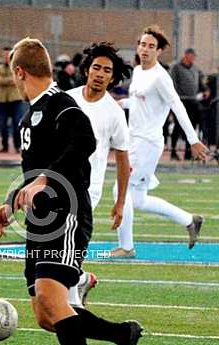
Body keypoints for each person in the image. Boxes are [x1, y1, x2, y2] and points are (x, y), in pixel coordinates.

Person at [0, 37, 142, 345]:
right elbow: (35, 170)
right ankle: (122, 334)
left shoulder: (62, 104)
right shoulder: (31, 115)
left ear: (18, 72)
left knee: (49, 295)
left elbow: (84, 142)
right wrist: (11, 202)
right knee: (45, 314)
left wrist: (44, 181)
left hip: (68, 210)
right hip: (41, 219)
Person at [116, 25, 208, 258]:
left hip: (147, 144)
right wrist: (119, 104)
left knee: (121, 187)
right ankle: (190, 220)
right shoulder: (138, 71)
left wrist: (193, 140)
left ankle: (126, 247)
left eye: (151, 46)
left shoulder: (160, 77)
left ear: (159, 52)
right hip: (134, 140)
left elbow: (177, 106)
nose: (145, 49)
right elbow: (138, 102)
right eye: (142, 44)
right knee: (137, 200)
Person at [65, 42, 132, 301]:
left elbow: (123, 159)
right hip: (57, 183)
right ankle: (81, 280)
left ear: (113, 77)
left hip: (87, 190)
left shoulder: (114, 113)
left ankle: (72, 305)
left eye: (107, 70)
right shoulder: (66, 100)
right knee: (57, 245)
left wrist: (120, 202)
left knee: (68, 242)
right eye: (96, 68)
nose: (100, 73)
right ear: (87, 70)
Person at [169, 48, 208, 160]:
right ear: (186, 55)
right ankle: (173, 151)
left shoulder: (195, 69)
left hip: (193, 102)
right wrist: (177, 97)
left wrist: (205, 89)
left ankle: (188, 152)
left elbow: (201, 82)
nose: (193, 58)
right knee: (178, 126)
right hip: (181, 101)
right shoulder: (176, 68)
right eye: (191, 56)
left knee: (190, 126)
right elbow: (173, 83)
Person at [0, 47, 24, 153]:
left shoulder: (18, 67)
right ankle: (4, 146)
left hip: (15, 99)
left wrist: (5, 80)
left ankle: (18, 146)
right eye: (4, 55)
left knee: (17, 123)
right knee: (2, 125)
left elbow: (18, 80)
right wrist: (9, 80)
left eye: (8, 54)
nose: (6, 57)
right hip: (2, 99)